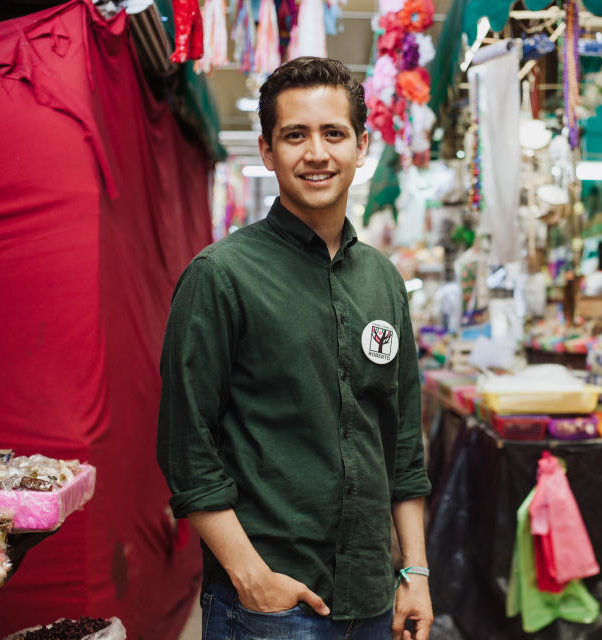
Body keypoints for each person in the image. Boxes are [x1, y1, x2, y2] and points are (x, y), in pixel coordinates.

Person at [156, 57, 432, 640]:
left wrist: (415, 571)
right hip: (269, 606)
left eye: (333, 134)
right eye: (295, 135)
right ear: (267, 150)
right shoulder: (220, 276)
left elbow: (402, 443)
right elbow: (187, 447)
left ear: (361, 147)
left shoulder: (383, 280)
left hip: (374, 596)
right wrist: (252, 577)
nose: (316, 153)